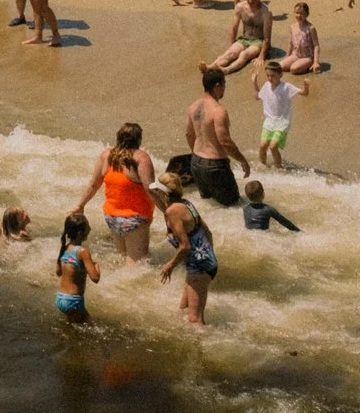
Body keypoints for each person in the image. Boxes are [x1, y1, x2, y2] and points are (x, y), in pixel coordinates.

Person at [71, 122, 159, 264]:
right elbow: (150, 189)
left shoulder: (106, 155)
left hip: (112, 218)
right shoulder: (140, 157)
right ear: (138, 139)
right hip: (135, 218)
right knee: (135, 265)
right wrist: (168, 211)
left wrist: (80, 205)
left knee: (122, 257)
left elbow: (94, 185)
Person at [157, 171, 219, 325]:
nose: (155, 193)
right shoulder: (186, 204)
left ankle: (202, 348)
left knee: (194, 320)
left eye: (157, 190)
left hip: (199, 268)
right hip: (204, 264)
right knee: (183, 310)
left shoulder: (173, 211)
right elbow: (207, 232)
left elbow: (186, 246)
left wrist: (169, 266)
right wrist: (208, 257)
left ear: (164, 193)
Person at [183, 67, 251, 206]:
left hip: (196, 163)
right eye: (224, 84)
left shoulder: (193, 106)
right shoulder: (218, 111)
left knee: (209, 205)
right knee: (233, 206)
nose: (225, 88)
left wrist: (197, 156)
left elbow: (189, 134)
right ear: (217, 86)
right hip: (215, 166)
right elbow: (224, 141)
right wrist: (242, 160)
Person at [255, 60, 307, 167]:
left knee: (273, 146)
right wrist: (254, 82)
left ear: (281, 75)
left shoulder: (286, 87)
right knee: (262, 145)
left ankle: (278, 168)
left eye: (273, 76)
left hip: (283, 121)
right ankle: (262, 166)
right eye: (268, 76)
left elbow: (304, 93)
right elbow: (257, 96)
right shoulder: (266, 85)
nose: (270, 78)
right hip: (269, 120)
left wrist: (306, 85)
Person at [211, 0, 272, 74]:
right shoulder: (240, 7)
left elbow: (267, 36)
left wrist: (262, 55)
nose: (250, 1)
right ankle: (211, 66)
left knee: (244, 54)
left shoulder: (265, 11)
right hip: (244, 39)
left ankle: (227, 70)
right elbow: (234, 27)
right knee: (230, 53)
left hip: (258, 41)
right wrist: (231, 45)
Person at [54, 213, 100, 324]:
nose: (90, 229)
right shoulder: (82, 252)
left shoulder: (64, 248)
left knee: (74, 328)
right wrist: (97, 264)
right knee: (89, 328)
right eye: (88, 227)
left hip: (60, 298)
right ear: (80, 233)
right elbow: (95, 278)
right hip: (73, 301)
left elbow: (58, 272)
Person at [281, 2, 321, 75]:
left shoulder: (311, 28)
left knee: (293, 69)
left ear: (307, 14)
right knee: (280, 66)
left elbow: (316, 45)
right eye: (297, 13)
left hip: (307, 57)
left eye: (302, 13)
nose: (299, 15)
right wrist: (287, 56)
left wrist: (316, 62)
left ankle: (309, 65)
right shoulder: (292, 27)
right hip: (295, 55)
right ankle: (299, 64)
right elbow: (291, 43)